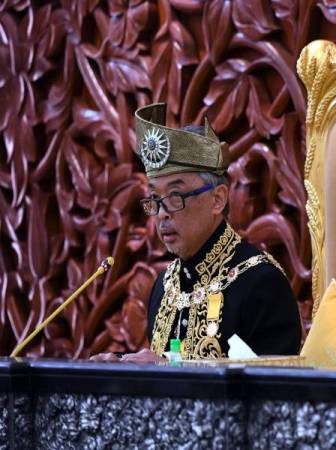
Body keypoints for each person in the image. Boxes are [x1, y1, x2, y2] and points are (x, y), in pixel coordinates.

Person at [92, 103, 302, 363]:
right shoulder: (164, 286)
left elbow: (273, 395)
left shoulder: (261, 283)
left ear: (217, 199)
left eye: (176, 195)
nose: (162, 213)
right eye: (155, 198)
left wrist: (170, 372)